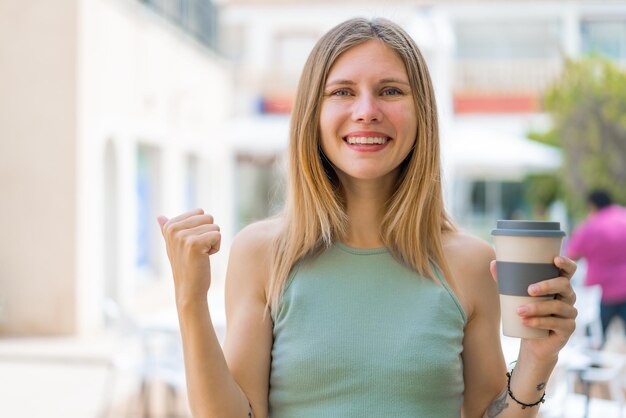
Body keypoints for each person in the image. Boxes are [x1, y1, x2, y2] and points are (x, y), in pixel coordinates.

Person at [157, 17, 577, 418]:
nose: (366, 110)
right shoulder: (263, 253)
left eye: (391, 91)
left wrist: (538, 360)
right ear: (312, 115)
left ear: (422, 114)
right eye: (341, 91)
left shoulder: (470, 263)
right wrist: (190, 300)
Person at [567, 189, 626, 339]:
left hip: (601, 292)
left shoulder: (591, 226)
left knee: (595, 341)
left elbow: (572, 254)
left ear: (592, 205)